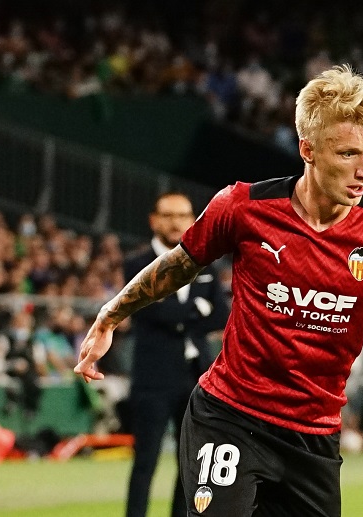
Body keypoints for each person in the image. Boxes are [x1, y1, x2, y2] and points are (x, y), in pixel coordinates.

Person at [75, 64, 363, 517]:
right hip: (230, 417)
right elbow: (176, 266)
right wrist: (110, 315)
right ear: (307, 149)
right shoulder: (243, 207)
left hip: (313, 436)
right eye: (348, 153)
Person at [123, 192, 229, 517]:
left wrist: (179, 311)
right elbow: (149, 313)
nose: (175, 222)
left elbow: (220, 316)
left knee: (193, 465)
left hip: (197, 378)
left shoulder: (205, 262)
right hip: (153, 378)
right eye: (168, 215)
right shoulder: (137, 263)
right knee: (146, 463)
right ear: (153, 220)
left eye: (182, 215)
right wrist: (197, 309)